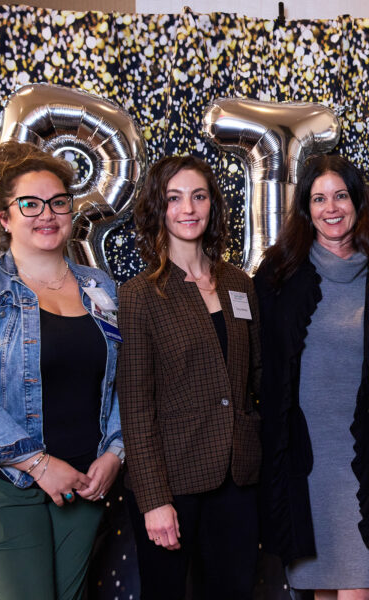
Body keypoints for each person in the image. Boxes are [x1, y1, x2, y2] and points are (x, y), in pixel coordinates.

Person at [0, 141, 124, 600]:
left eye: (58, 202)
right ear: (5, 218)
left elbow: (123, 380)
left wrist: (116, 453)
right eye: (30, 204)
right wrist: (38, 463)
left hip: (80, 484)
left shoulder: (100, 286)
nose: (47, 214)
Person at [254, 154, 369, 599]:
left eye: (341, 195)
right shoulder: (277, 273)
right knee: (321, 588)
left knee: (360, 583)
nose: (331, 208)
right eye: (319, 198)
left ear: (358, 202)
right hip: (305, 462)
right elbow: (262, 368)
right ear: (306, 207)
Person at [117, 155, 262, 599]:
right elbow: (136, 408)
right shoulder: (140, 295)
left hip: (238, 478)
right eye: (174, 198)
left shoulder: (239, 284)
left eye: (199, 196)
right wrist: (154, 499)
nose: (188, 208)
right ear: (158, 209)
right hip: (173, 481)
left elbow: (256, 379)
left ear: (212, 205)